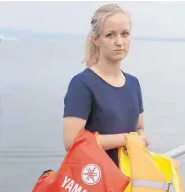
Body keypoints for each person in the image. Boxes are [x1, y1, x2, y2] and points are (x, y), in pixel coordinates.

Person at [63, 3, 149, 168]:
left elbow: (139, 128)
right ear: (96, 39)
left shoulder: (133, 83)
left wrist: (140, 139)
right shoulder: (82, 84)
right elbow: (71, 142)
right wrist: (126, 139)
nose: (119, 42)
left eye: (125, 34)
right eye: (110, 35)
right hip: (94, 180)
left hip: (127, 179)